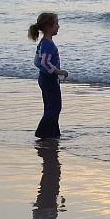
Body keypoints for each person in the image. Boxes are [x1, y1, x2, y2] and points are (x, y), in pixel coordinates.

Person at [29, 11, 68, 140]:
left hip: (43, 79)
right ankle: (43, 132)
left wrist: (46, 70)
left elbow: (37, 62)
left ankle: (53, 133)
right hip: (50, 80)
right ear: (48, 27)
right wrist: (58, 71)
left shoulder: (42, 43)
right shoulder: (49, 44)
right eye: (56, 24)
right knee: (55, 107)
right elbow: (45, 62)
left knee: (49, 106)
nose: (58, 26)